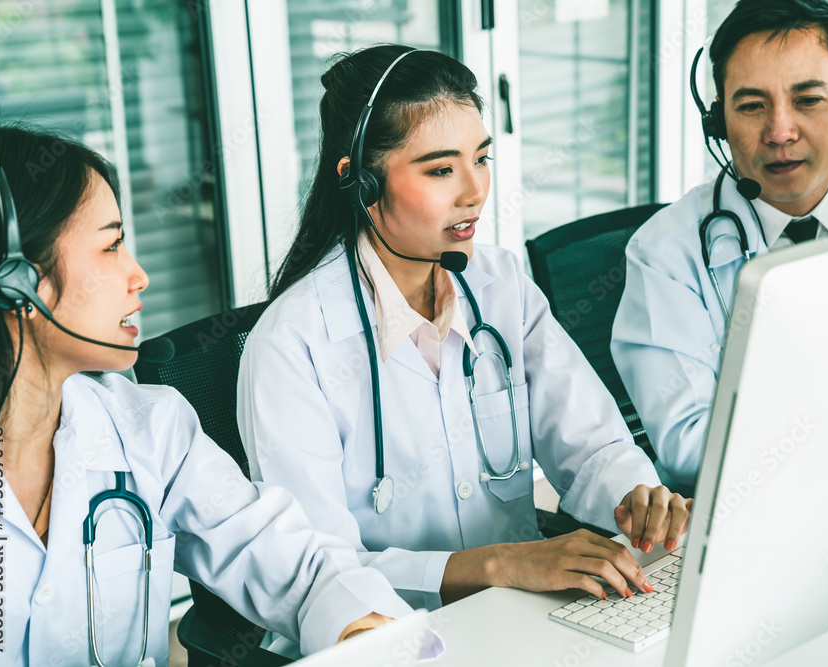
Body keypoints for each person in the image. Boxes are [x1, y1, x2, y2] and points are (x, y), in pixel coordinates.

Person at [237, 45, 691, 617]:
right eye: (441, 169)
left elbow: (593, 444)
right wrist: (495, 565)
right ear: (361, 184)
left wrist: (634, 495)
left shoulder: (500, 284)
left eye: (481, 158)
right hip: (386, 636)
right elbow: (315, 571)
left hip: (520, 613)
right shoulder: (293, 344)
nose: (474, 191)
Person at [0, 124, 414, 666]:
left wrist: (363, 634)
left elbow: (288, 559)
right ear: (14, 281)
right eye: (111, 245)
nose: (139, 276)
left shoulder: (147, 428)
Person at [611, 0, 828, 496]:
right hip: (753, 509)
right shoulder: (667, 254)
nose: (780, 133)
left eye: (808, 100)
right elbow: (688, 447)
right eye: (751, 107)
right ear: (719, 120)